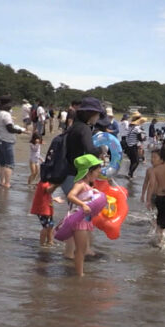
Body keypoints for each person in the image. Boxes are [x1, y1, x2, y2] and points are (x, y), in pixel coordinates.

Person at [62, 96, 105, 259]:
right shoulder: (85, 129)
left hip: (68, 173)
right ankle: (78, 251)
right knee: (79, 217)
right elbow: (89, 149)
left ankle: (75, 250)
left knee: (75, 215)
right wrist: (101, 149)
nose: (98, 118)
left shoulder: (75, 127)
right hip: (77, 175)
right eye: (97, 114)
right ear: (90, 113)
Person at [64, 154, 104, 276]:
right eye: (97, 171)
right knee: (80, 249)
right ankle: (79, 274)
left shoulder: (87, 186)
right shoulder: (80, 184)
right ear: (88, 172)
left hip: (85, 221)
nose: (98, 174)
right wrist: (83, 204)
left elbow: (87, 198)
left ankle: (79, 272)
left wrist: (94, 194)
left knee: (82, 248)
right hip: (79, 221)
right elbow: (70, 196)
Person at [0, 95, 28, 188]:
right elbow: (10, 128)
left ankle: (2, 181)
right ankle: (7, 183)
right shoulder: (6, 114)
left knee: (1, 163)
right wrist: (20, 131)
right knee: (10, 164)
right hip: (7, 140)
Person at [30, 180, 64, 247]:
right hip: (42, 209)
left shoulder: (47, 182)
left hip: (47, 207)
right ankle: (42, 244)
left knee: (50, 225)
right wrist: (57, 184)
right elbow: (48, 190)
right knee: (46, 226)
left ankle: (50, 241)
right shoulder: (44, 182)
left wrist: (54, 199)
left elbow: (45, 194)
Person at [125, 114, 148, 179]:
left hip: (128, 146)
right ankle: (130, 174)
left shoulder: (130, 127)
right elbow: (140, 138)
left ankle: (130, 174)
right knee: (136, 161)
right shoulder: (137, 128)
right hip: (133, 146)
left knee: (132, 161)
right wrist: (144, 139)